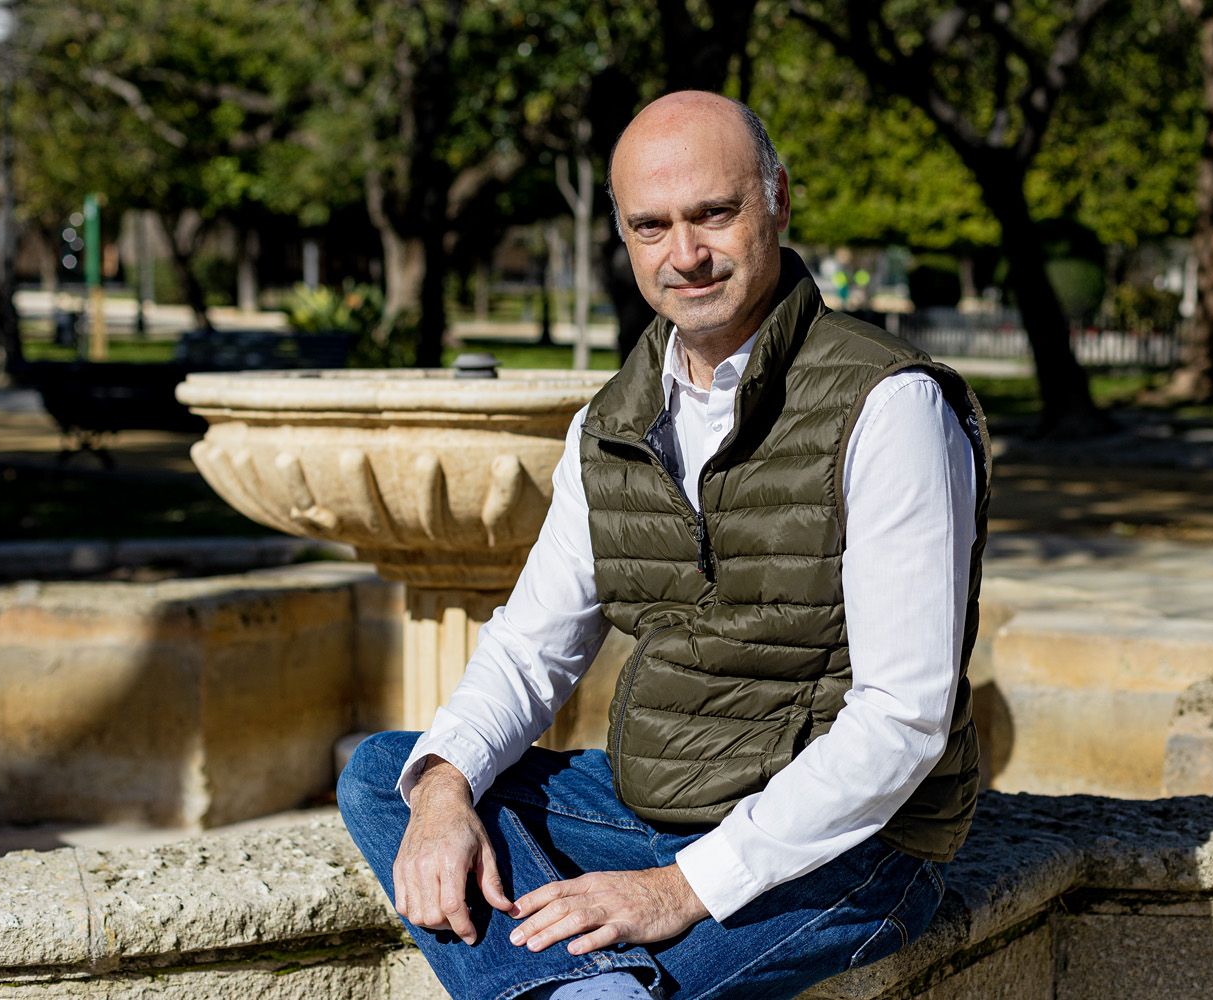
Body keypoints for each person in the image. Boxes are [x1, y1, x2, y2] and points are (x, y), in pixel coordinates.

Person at [338, 91, 989, 1000]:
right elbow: (531, 648)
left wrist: (680, 890)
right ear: (625, 236)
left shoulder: (889, 407)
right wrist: (445, 793)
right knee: (390, 775)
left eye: (714, 214)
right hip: (654, 810)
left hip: (856, 846)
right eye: (652, 226)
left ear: (778, 202)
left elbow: (903, 720)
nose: (684, 254)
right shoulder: (609, 424)